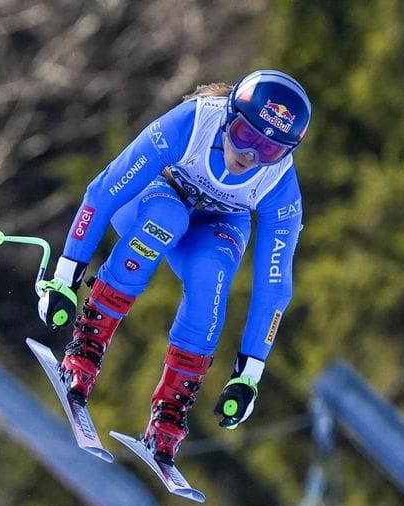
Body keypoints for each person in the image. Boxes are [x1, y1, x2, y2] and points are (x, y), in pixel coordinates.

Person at [37, 69, 311, 465]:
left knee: (212, 275)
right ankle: (85, 350)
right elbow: (105, 190)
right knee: (165, 220)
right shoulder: (195, 121)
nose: (249, 156)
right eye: (244, 136)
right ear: (228, 115)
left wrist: (248, 375)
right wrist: (65, 277)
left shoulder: (280, 187)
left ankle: (169, 417)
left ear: (285, 154)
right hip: (155, 197)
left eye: (268, 151)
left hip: (216, 226)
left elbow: (274, 286)